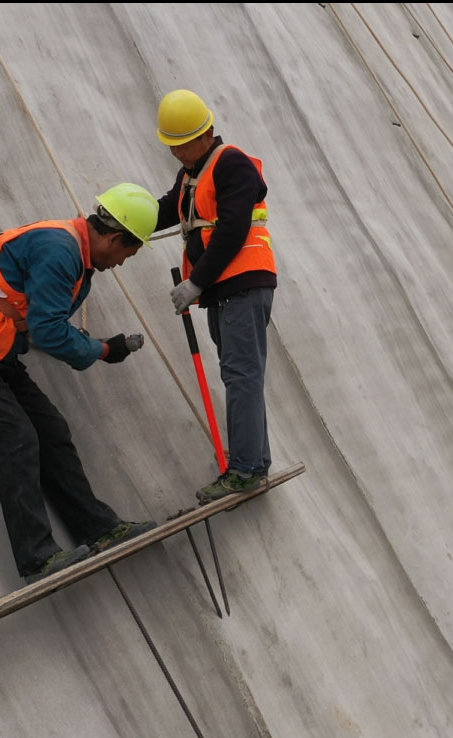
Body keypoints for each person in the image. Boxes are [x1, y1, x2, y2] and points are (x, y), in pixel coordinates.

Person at [0, 183, 161, 584]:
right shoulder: (61, 251)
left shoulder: (76, 259)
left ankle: (96, 528)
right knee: (15, 442)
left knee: (51, 431)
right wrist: (102, 349)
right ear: (114, 238)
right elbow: (48, 332)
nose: (122, 263)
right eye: (128, 253)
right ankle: (37, 557)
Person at [155, 89, 277, 503]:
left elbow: (232, 229)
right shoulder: (194, 172)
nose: (176, 153)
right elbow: (171, 208)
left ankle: (244, 469)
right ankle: (254, 463)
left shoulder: (230, 164)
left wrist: (197, 282)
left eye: (181, 144)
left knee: (241, 373)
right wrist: (124, 221)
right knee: (239, 372)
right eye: (171, 146)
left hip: (240, 280)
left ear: (205, 134)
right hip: (225, 286)